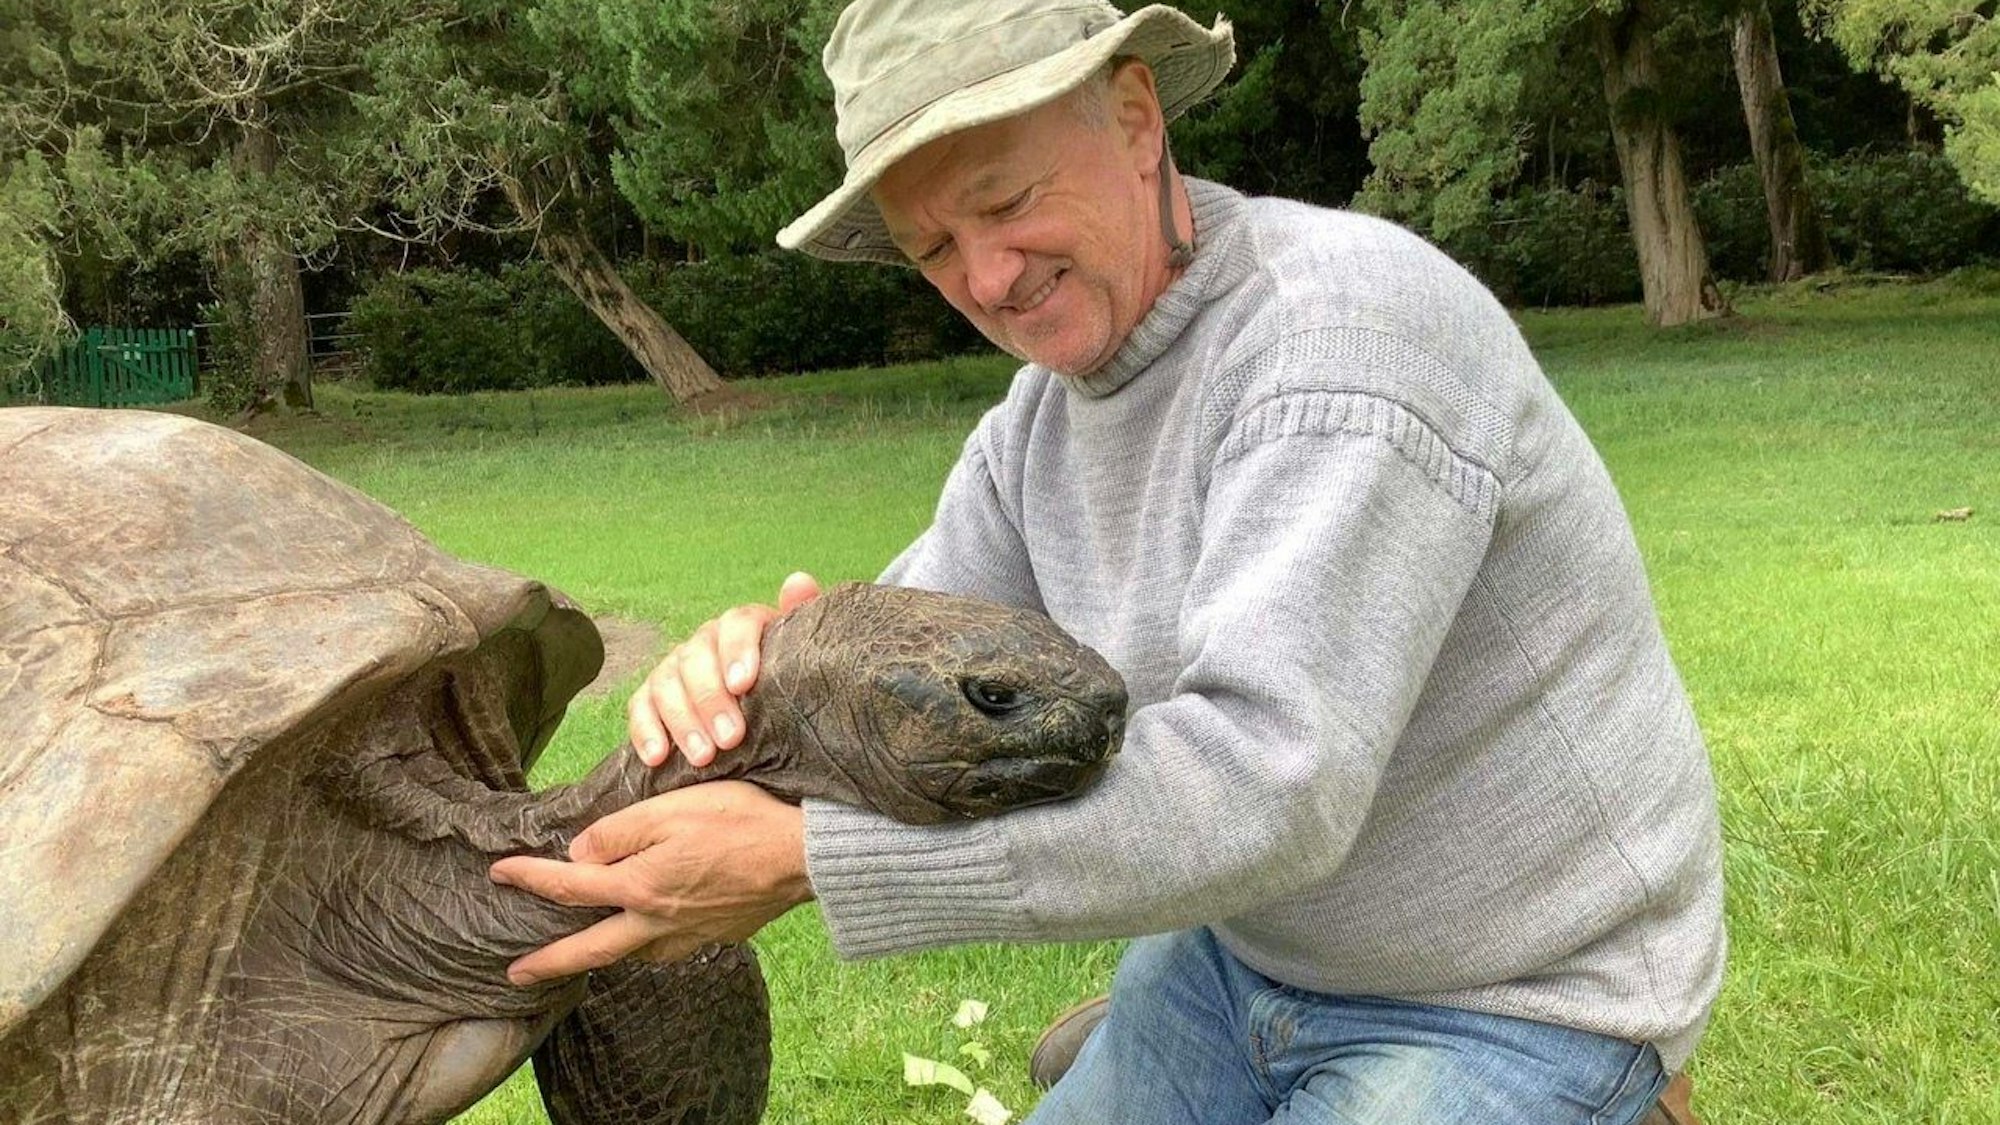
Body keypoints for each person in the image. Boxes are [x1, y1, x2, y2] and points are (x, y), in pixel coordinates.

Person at [488, 2, 1727, 1122]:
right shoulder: (1038, 425)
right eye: (930, 248)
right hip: (1249, 960)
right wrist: (743, 675)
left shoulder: (1340, 349)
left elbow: (1266, 792)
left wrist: (808, 862)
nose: (982, 279)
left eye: (1004, 202)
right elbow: (893, 675)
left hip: (1519, 986)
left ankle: (1616, 1094)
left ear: (1135, 118)